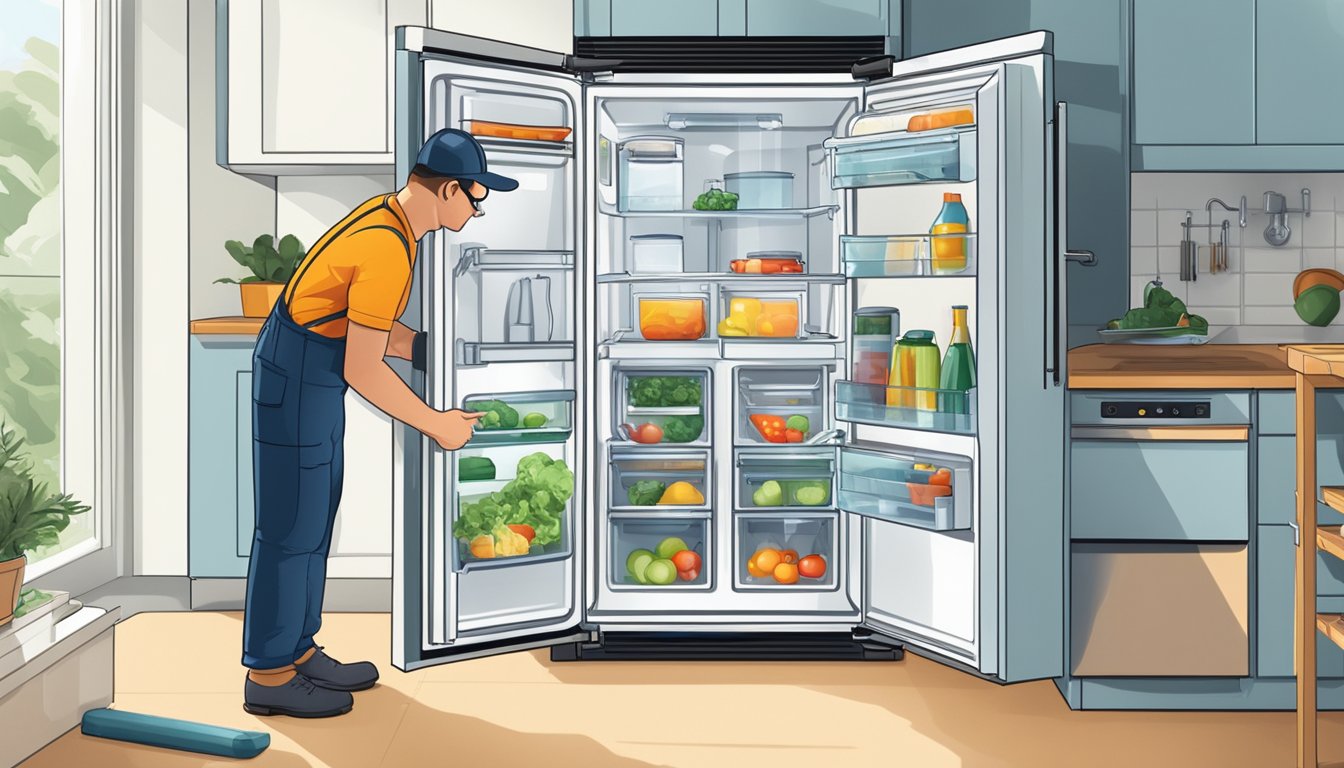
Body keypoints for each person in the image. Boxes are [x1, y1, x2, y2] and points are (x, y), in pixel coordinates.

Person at [240, 129, 517, 718]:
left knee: (314, 514)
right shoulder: (389, 246)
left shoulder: (392, 221)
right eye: (476, 197)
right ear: (447, 190)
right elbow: (363, 368)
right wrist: (436, 424)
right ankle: (267, 676)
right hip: (296, 378)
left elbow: (359, 319)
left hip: (309, 374)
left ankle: (298, 650)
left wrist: (421, 348)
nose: (477, 208)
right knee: (291, 524)